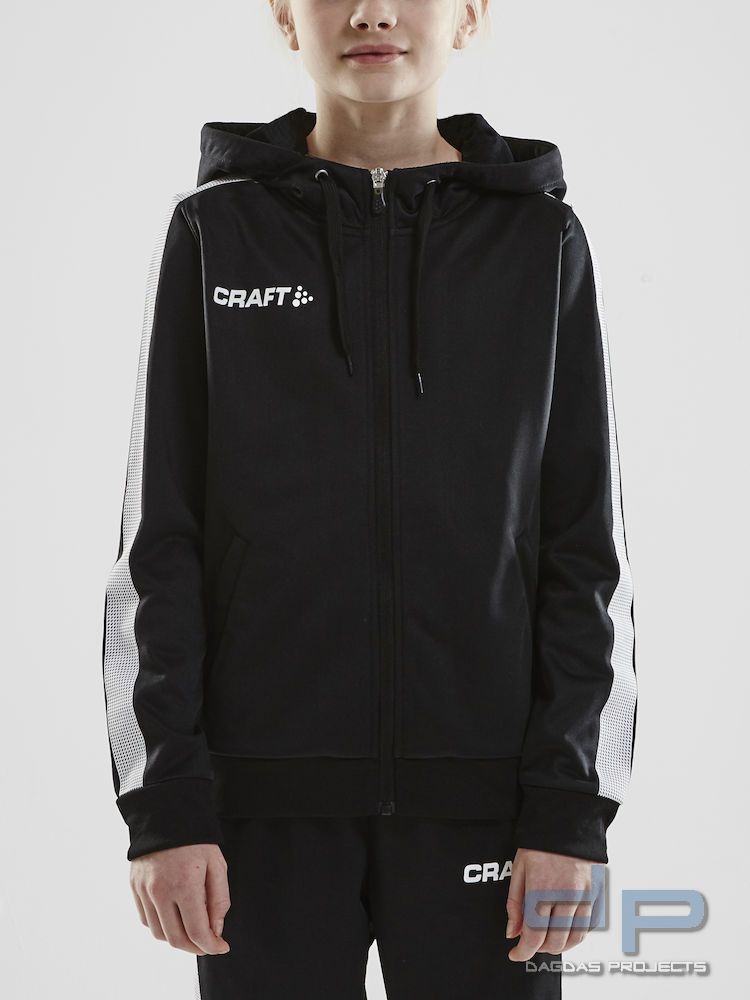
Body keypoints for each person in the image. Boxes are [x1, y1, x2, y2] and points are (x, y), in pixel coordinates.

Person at [101, 1, 638, 997]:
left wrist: (569, 809)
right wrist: (167, 803)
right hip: (260, 812)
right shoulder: (216, 232)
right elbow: (159, 542)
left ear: (469, 14)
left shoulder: (541, 239)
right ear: (283, 16)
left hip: (490, 810)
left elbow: (583, 546)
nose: (372, 12)